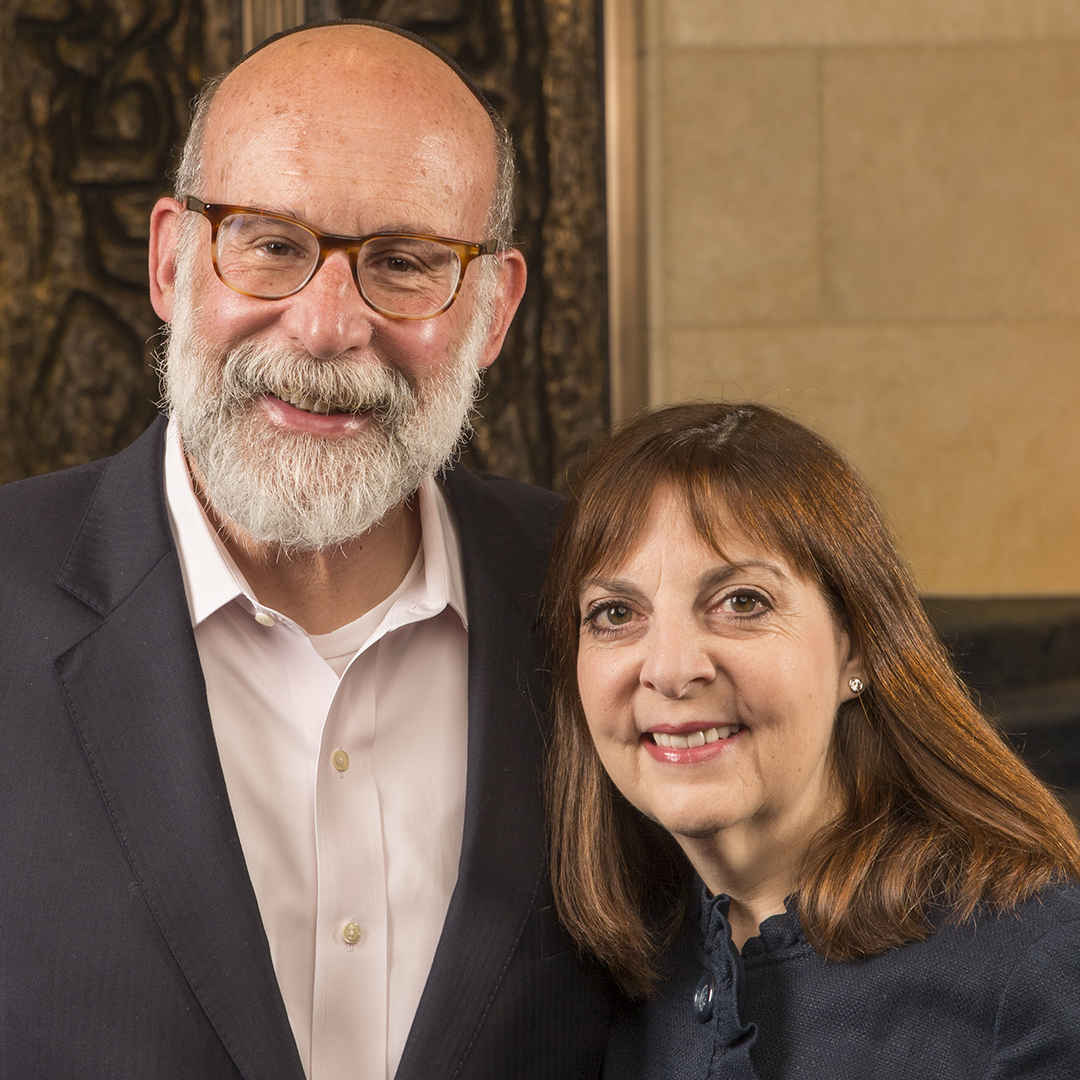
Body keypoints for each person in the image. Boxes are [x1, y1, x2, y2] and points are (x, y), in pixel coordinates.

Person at [0, 21, 615, 1080]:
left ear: (497, 308)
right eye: (273, 245)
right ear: (169, 262)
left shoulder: (606, 604)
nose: (328, 326)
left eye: (406, 262)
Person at [544, 401, 1080, 1079]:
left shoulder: (1035, 963)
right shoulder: (594, 982)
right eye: (615, 614)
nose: (672, 669)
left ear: (856, 646)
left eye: (742, 602)